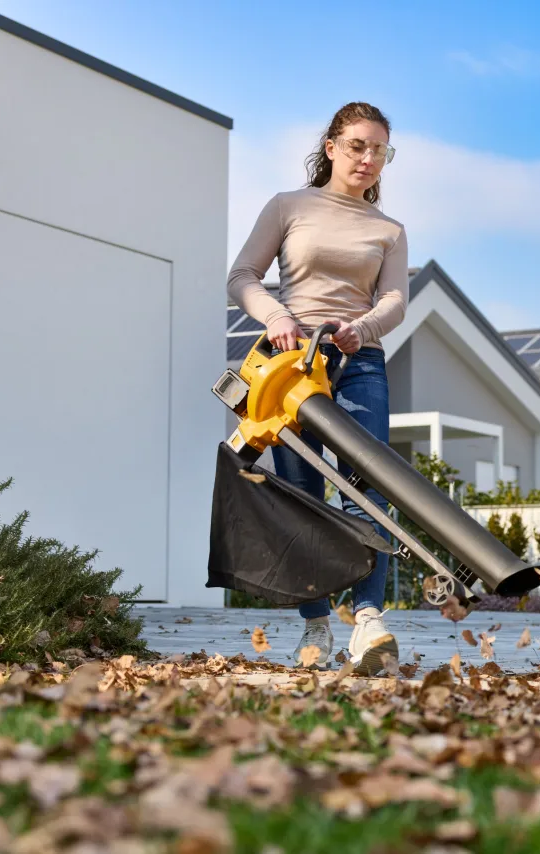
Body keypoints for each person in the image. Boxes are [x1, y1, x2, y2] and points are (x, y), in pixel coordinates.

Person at [226, 102, 407, 675]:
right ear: (331, 147)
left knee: (370, 483)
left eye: (379, 149)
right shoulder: (288, 206)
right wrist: (276, 317)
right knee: (300, 490)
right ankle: (315, 624)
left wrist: (364, 328)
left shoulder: (389, 230)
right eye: (357, 145)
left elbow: (395, 300)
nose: (368, 158)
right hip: (291, 362)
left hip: (359, 362)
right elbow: (242, 276)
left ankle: (370, 620)